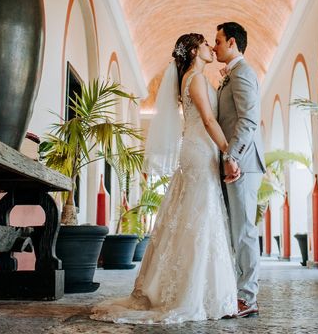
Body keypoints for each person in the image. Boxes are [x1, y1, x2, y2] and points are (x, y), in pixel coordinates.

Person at [91, 33, 239, 324]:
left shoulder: (194, 78)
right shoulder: (194, 79)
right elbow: (209, 120)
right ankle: (190, 293)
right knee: (199, 217)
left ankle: (194, 287)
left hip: (198, 149)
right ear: (195, 50)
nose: (211, 48)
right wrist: (227, 151)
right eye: (206, 44)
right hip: (200, 151)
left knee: (195, 217)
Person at [213, 21, 266, 318]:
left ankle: (248, 298)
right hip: (235, 163)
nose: (214, 46)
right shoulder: (231, 75)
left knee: (245, 230)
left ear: (232, 42)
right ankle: (239, 292)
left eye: (218, 41)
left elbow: (248, 120)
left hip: (242, 164)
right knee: (237, 230)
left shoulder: (243, 72)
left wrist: (232, 156)